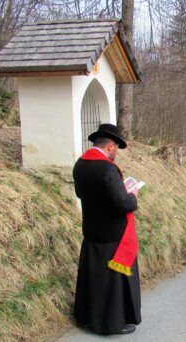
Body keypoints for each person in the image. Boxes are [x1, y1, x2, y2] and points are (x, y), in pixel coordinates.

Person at [72, 123, 141, 335]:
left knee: (93, 280)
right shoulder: (108, 169)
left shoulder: (80, 164)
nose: (117, 152)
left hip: (91, 233)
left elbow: (80, 194)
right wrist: (133, 196)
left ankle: (87, 317)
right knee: (111, 285)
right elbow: (123, 204)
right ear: (110, 146)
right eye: (117, 148)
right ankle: (111, 323)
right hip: (113, 238)